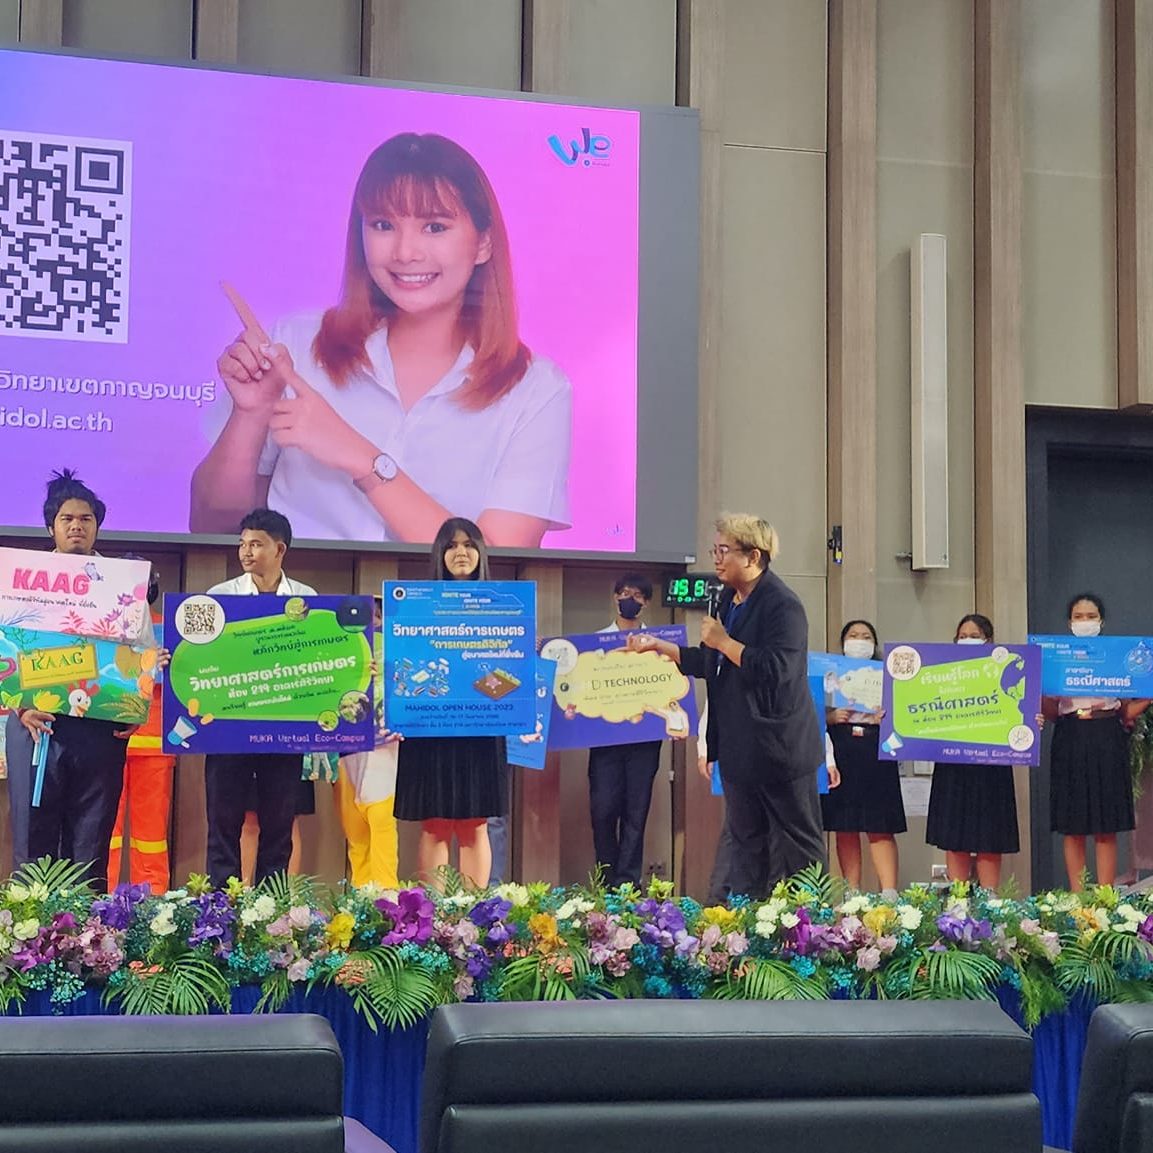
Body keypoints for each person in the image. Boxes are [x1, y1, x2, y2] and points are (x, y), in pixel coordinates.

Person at [190, 132, 571, 548]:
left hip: (437, 598)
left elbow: (492, 571)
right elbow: (211, 528)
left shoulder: (536, 390)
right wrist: (249, 414)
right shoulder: (295, 345)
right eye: (383, 225)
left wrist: (362, 458)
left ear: (483, 243)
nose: (405, 252)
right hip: (296, 592)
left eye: (435, 227)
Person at [629, 513, 825, 898]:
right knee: (746, 848)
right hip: (739, 747)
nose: (716, 559)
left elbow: (777, 669)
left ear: (753, 556)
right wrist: (662, 648)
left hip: (780, 749)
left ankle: (811, 926)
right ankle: (750, 925)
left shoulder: (783, 605)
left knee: (798, 848)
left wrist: (723, 642)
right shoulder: (726, 599)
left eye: (724, 551)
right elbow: (713, 662)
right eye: (714, 550)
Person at [6, 469, 165, 891]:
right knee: (33, 839)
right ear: (51, 527)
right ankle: (33, 927)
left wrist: (135, 707)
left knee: (90, 841)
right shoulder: (21, 581)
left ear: (97, 526)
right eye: (67, 518)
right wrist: (20, 707)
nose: (77, 525)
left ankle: (86, 930)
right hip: (35, 724)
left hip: (99, 727)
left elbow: (142, 648)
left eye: (86, 518)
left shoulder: (120, 584)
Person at [203, 508, 317, 889]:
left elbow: (319, 659)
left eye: (256, 544)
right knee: (223, 821)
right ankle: (221, 903)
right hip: (228, 728)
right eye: (242, 544)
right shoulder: (220, 597)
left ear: (279, 549)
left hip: (283, 728)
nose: (246, 552)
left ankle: (271, 905)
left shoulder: (307, 598)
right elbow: (203, 658)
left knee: (279, 824)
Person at [394, 517, 509, 887]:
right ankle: (436, 912)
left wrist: (488, 682)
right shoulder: (416, 606)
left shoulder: (502, 606)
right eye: (452, 545)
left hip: (481, 724)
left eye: (469, 545)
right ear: (439, 554)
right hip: (432, 725)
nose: (461, 552)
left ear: (481, 553)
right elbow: (407, 663)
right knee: (435, 824)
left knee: (476, 823)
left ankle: (473, 911)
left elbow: (509, 670)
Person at [1044, 593, 1147, 890]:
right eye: (1079, 617)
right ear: (1069, 623)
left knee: (1106, 823)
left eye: (1091, 616)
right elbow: (1051, 711)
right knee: (1072, 825)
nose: (1085, 622)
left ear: (1101, 621)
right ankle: (1078, 898)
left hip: (1107, 734)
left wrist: (1148, 696)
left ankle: (1105, 896)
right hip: (1070, 734)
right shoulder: (1057, 658)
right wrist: (1036, 693)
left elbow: (1126, 710)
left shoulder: (1117, 657)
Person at [925, 614, 1020, 888]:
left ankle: (989, 898)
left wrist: (1030, 720)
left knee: (990, 833)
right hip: (953, 763)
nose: (968, 640)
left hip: (992, 763)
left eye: (974, 636)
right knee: (955, 834)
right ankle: (958, 899)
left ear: (989, 641)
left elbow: (1019, 708)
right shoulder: (942, 674)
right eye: (962, 636)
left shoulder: (1006, 672)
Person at [587, 574, 663, 887]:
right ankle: (606, 882)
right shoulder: (594, 644)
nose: (629, 599)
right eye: (624, 593)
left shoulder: (659, 643)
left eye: (637, 595)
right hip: (605, 740)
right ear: (614, 597)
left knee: (636, 812)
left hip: (644, 741)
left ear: (646, 603)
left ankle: (628, 885)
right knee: (603, 811)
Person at [820, 620, 904, 892]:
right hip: (841, 749)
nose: (859, 641)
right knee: (845, 825)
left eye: (866, 636)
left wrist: (887, 719)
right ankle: (852, 893)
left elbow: (909, 717)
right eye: (853, 635)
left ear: (874, 644)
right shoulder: (827, 673)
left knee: (880, 824)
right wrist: (830, 717)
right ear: (843, 643)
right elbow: (809, 714)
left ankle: (889, 893)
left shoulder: (889, 676)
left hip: (876, 749)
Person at [108, 562, 176, 892]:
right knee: (105, 830)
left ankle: (152, 905)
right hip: (108, 741)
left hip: (154, 746)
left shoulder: (170, 630)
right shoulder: (102, 629)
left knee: (151, 833)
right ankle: (98, 901)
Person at [336, 599, 402, 889]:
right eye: (366, 616)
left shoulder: (398, 650)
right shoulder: (337, 649)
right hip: (344, 744)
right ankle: (361, 895)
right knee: (354, 828)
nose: (372, 621)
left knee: (381, 819)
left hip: (383, 743)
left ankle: (387, 894)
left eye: (377, 615)